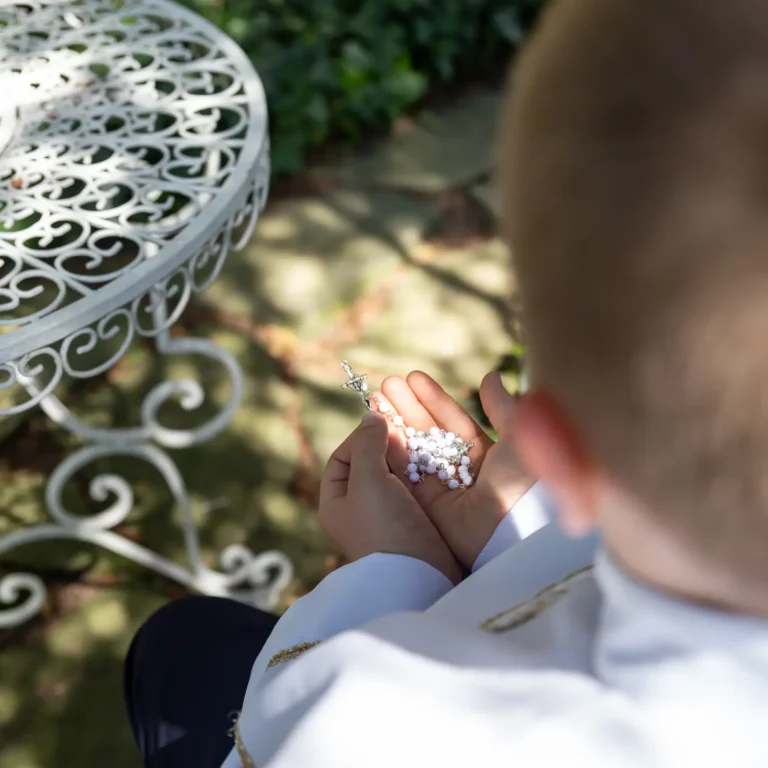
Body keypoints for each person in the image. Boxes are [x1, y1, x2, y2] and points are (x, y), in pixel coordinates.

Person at [124, 0, 768, 765]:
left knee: (177, 646)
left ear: (554, 449)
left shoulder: (382, 718)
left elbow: (282, 731)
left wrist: (396, 576)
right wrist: (516, 533)